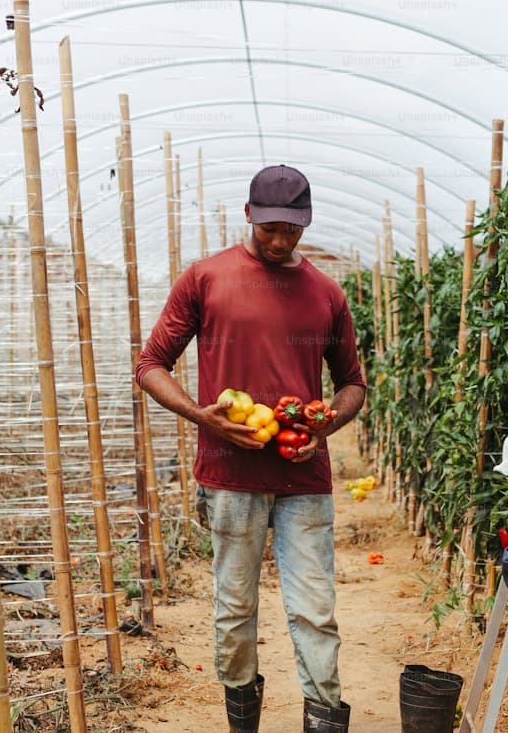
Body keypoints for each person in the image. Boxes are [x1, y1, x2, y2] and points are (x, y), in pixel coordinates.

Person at [135, 164, 367, 733]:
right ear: (248, 215)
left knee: (315, 612)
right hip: (229, 474)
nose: (281, 239)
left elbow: (353, 383)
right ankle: (243, 720)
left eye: (292, 229)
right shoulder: (206, 279)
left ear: (305, 223)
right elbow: (149, 366)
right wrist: (202, 416)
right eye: (270, 228)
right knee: (235, 612)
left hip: (303, 479)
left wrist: (325, 425)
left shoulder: (325, 292)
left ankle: (323, 719)